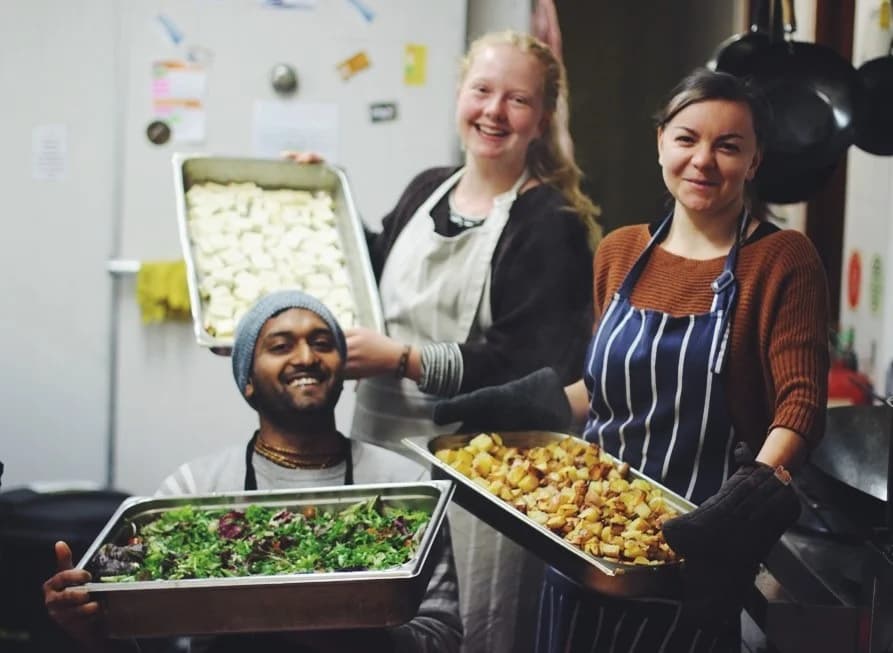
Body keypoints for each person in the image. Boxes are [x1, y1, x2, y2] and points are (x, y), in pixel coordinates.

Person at [435, 67, 830, 652]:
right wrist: (534, 405)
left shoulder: (782, 260)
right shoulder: (621, 251)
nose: (703, 160)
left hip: (696, 547)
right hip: (581, 534)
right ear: (661, 142)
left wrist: (743, 500)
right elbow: (604, 389)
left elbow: (800, 405)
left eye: (728, 146)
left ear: (754, 161)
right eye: (687, 138)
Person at [287, 28, 601, 653]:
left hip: (480, 471)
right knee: (377, 617)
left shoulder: (550, 224)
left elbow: (532, 369)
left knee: (469, 627)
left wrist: (404, 359)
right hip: (379, 449)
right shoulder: (427, 186)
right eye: (481, 90)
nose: (494, 111)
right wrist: (324, 198)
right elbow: (371, 273)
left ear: (541, 119)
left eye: (517, 100)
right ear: (460, 95)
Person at [43, 290, 463, 653]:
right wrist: (95, 630)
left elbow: (441, 636)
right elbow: (151, 636)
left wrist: (337, 633)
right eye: (280, 346)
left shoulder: (404, 485)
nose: (306, 357)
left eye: (322, 343)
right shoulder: (194, 491)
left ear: (342, 370)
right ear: (247, 379)